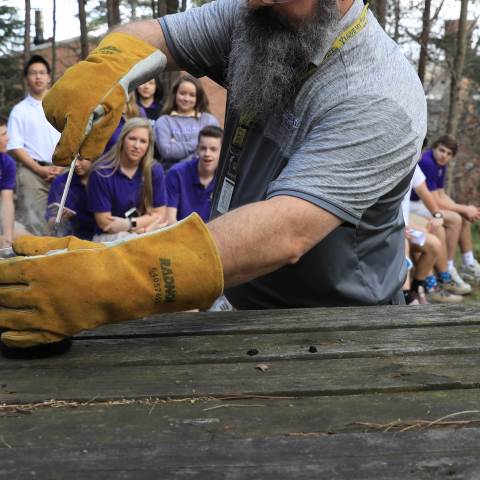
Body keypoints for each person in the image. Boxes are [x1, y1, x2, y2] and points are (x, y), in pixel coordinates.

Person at [0, 0, 428, 351]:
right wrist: (107, 68)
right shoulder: (257, 16)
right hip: (241, 306)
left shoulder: (379, 96)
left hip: (345, 333)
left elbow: (288, 230)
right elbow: (157, 35)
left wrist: (107, 277)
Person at [410, 134, 480, 285]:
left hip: (423, 203)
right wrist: (464, 208)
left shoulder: (440, 163)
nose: (444, 156)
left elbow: (441, 193)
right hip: (413, 205)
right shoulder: (428, 162)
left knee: (462, 216)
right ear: (434, 147)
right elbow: (436, 201)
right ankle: (448, 268)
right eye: (442, 150)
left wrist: (463, 209)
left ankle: (468, 263)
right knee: (455, 219)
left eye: (449, 154)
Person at [7, 55, 63, 235]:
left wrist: (61, 167)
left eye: (42, 73)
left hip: (63, 170)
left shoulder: (61, 106)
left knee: (65, 221)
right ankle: (43, 261)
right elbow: (15, 146)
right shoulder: (19, 111)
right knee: (36, 222)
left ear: (49, 77)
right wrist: (40, 170)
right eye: (33, 73)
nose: (38, 77)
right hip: (32, 173)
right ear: (26, 79)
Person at [88, 117, 167, 242]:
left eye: (143, 141)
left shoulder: (154, 170)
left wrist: (128, 224)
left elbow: (160, 215)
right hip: (109, 239)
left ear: (148, 145)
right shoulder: (101, 173)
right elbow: (106, 224)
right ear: (122, 140)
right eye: (132, 139)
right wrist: (144, 228)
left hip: (146, 233)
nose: (137, 146)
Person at [401, 165, 463, 305]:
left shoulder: (413, 166)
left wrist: (437, 214)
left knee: (434, 245)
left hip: (405, 226)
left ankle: (417, 288)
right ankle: (405, 295)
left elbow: (424, 192)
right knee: (402, 242)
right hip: (389, 227)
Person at [154, 74, 219, 171]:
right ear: (175, 94)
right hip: (172, 178)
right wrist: (200, 144)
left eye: (192, 95)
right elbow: (167, 152)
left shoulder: (209, 120)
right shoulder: (163, 122)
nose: (186, 99)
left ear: (198, 97)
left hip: (202, 177)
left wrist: (177, 145)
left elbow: (214, 150)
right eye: (182, 93)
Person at [166, 125, 223, 223]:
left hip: (212, 236)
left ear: (222, 151)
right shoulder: (177, 174)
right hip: (181, 235)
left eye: (213, 149)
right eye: (203, 148)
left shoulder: (226, 180)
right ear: (197, 149)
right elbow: (170, 221)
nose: (207, 154)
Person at [46, 157, 96, 240]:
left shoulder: (104, 180)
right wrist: (58, 219)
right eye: (72, 159)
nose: (75, 164)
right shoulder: (61, 181)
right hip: (69, 237)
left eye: (81, 159)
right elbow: (51, 222)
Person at [0, 117, 29, 247]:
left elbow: (7, 202)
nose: (8, 138)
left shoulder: (7, 162)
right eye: (3, 134)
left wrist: (8, 239)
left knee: (27, 241)